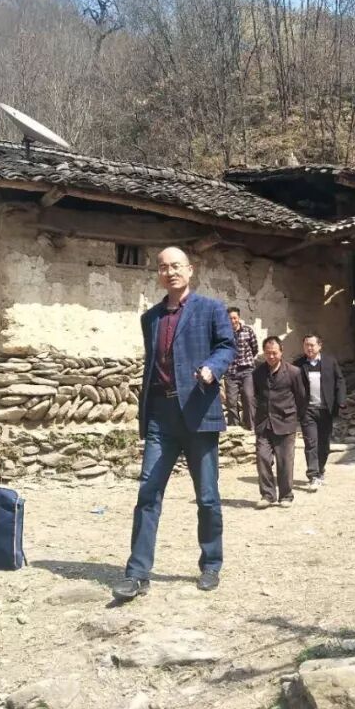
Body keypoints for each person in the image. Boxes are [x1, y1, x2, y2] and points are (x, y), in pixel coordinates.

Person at [112, 247, 236, 601]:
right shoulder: (150, 318)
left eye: (176, 266)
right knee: (148, 494)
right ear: (158, 274)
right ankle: (137, 574)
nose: (170, 272)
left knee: (207, 497)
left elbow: (227, 346)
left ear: (190, 270)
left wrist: (213, 368)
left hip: (198, 411)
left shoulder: (211, 309)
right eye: (164, 267)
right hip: (161, 417)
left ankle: (211, 564)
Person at [251, 336, 306, 509]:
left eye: (274, 353)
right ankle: (267, 495)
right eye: (268, 353)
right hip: (264, 423)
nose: (271, 356)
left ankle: (286, 495)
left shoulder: (293, 372)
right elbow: (255, 396)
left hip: (285, 422)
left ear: (281, 352)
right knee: (262, 458)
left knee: (285, 462)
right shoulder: (257, 373)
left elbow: (301, 397)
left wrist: (296, 418)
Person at [293, 334, 347, 490]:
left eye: (312, 345)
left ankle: (321, 469)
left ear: (319, 346)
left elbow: (340, 381)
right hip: (307, 410)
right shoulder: (298, 365)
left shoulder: (330, 362)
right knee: (311, 443)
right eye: (306, 345)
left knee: (324, 444)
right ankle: (313, 475)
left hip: (326, 410)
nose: (309, 348)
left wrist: (341, 400)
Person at [224, 307, 258, 430]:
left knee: (249, 397)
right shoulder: (223, 333)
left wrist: (247, 361)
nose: (232, 321)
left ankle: (251, 426)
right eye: (230, 318)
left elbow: (255, 348)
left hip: (247, 370)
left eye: (234, 318)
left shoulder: (248, 331)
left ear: (239, 318)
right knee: (231, 401)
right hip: (231, 371)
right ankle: (234, 428)